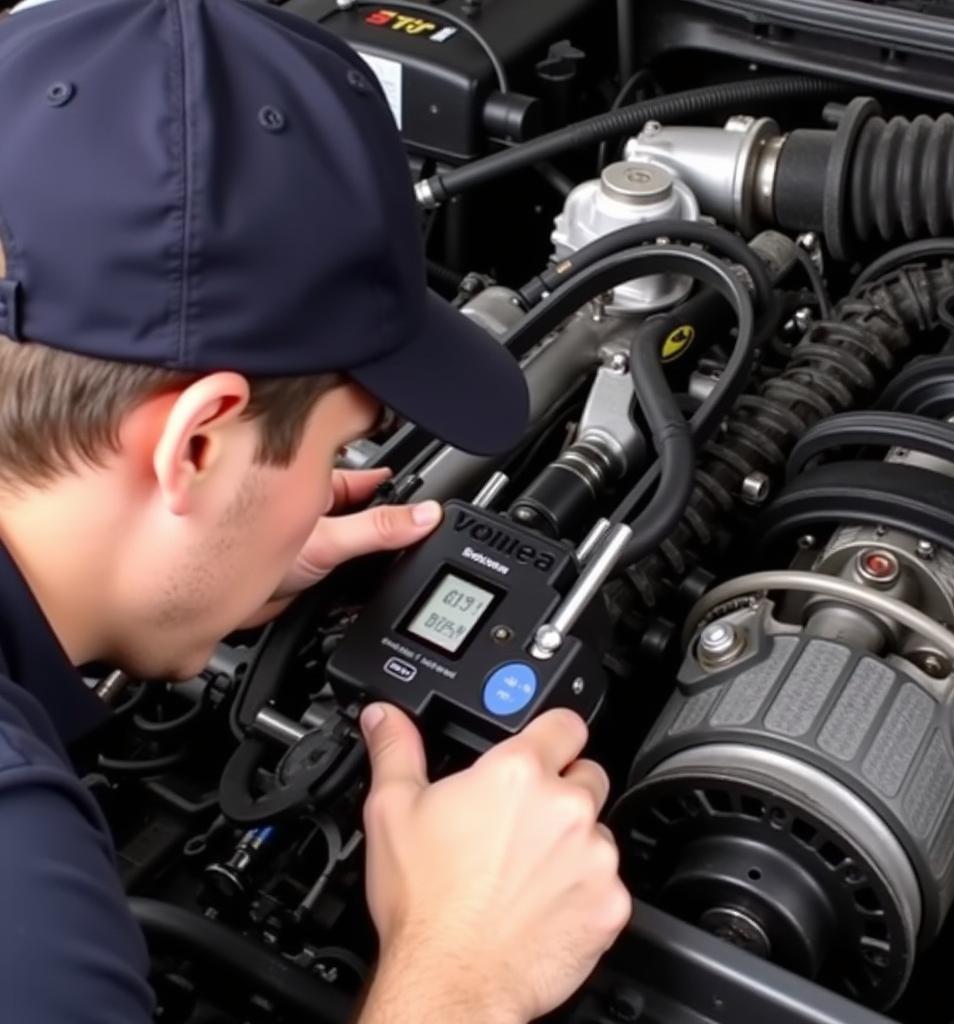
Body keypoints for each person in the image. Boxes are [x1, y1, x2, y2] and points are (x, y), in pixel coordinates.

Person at [0, 0, 632, 1021]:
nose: (337, 480)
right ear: (196, 445)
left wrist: (177, 578)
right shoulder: (23, 904)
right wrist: (462, 971)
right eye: (340, 447)